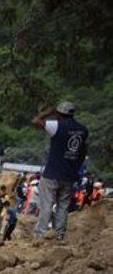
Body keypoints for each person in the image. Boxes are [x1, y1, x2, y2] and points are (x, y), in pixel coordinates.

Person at [31, 102, 89, 242]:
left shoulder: (56, 125)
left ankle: (41, 233)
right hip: (69, 174)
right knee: (63, 206)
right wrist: (75, 169)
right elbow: (83, 153)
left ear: (58, 114)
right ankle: (60, 235)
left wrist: (47, 113)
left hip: (52, 173)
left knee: (47, 204)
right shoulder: (83, 130)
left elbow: (35, 122)